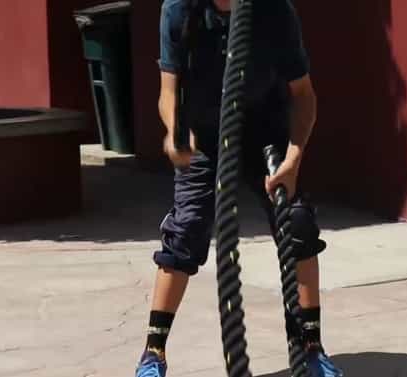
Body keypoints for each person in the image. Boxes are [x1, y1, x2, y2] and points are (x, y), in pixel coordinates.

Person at [136, 1, 343, 376]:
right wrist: (174, 131)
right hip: (203, 135)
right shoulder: (180, 9)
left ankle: (312, 347)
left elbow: (304, 95)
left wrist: (293, 159)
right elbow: (170, 89)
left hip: (265, 132)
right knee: (188, 228)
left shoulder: (274, 11)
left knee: (296, 222)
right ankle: (153, 353)